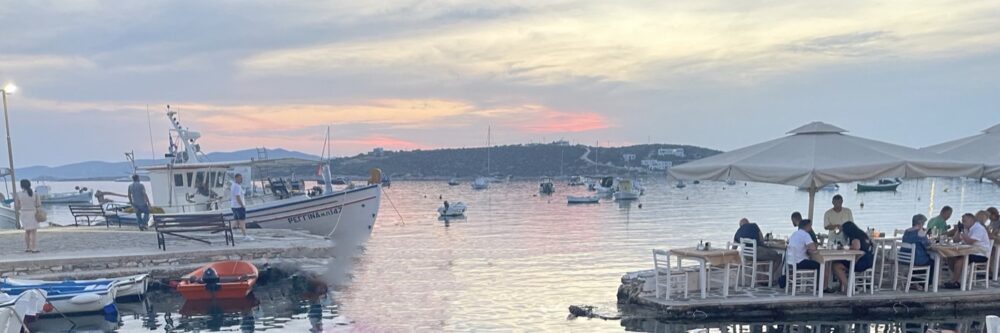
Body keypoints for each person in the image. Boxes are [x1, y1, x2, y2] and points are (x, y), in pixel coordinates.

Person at [943, 213, 990, 289]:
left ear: (971, 220)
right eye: (962, 221)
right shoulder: (966, 228)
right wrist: (958, 231)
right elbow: (955, 240)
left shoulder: (978, 228)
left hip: (980, 253)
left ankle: (954, 281)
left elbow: (969, 241)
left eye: (964, 221)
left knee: (960, 259)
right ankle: (957, 278)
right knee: (951, 257)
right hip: (968, 251)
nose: (963, 223)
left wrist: (962, 232)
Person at [830, 221, 874, 294]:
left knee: (836, 265)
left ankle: (847, 287)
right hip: (869, 261)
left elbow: (856, 247)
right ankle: (842, 287)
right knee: (840, 262)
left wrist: (845, 247)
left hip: (860, 262)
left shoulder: (855, 237)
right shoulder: (863, 235)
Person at [902, 214, 934, 288]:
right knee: (932, 262)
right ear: (920, 223)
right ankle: (926, 284)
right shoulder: (920, 232)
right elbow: (927, 245)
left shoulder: (907, 231)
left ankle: (914, 280)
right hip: (917, 259)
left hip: (905, 259)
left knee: (924, 260)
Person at [14, 179, 41, 253]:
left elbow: (16, 205)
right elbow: (38, 204)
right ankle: (34, 248)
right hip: (33, 213)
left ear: (21, 186)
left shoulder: (18, 194)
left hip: (24, 213)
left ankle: (28, 248)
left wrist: (22, 206)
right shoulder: (35, 194)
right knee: (34, 232)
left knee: (27, 231)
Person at [231, 174, 252, 241]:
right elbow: (238, 197)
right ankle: (245, 236)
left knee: (236, 220)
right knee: (242, 222)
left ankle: (229, 231)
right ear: (236, 178)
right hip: (239, 206)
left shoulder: (233, 185)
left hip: (234, 206)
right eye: (240, 178)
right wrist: (242, 205)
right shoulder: (237, 186)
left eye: (242, 178)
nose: (241, 180)